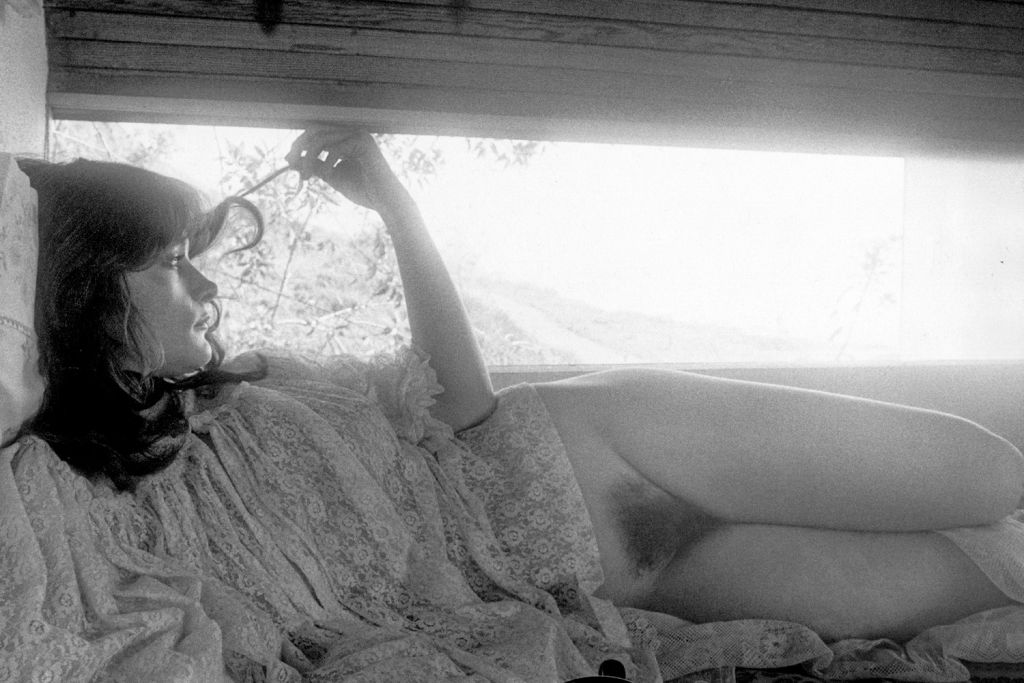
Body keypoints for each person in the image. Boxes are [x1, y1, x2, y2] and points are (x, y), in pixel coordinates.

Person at [10, 128, 1024, 677]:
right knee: (988, 580)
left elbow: (457, 402)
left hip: (604, 445)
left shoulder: (251, 385)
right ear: (85, 290)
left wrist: (393, 202)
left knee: (992, 475)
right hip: (605, 584)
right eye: (173, 262)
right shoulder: (72, 485)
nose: (207, 284)